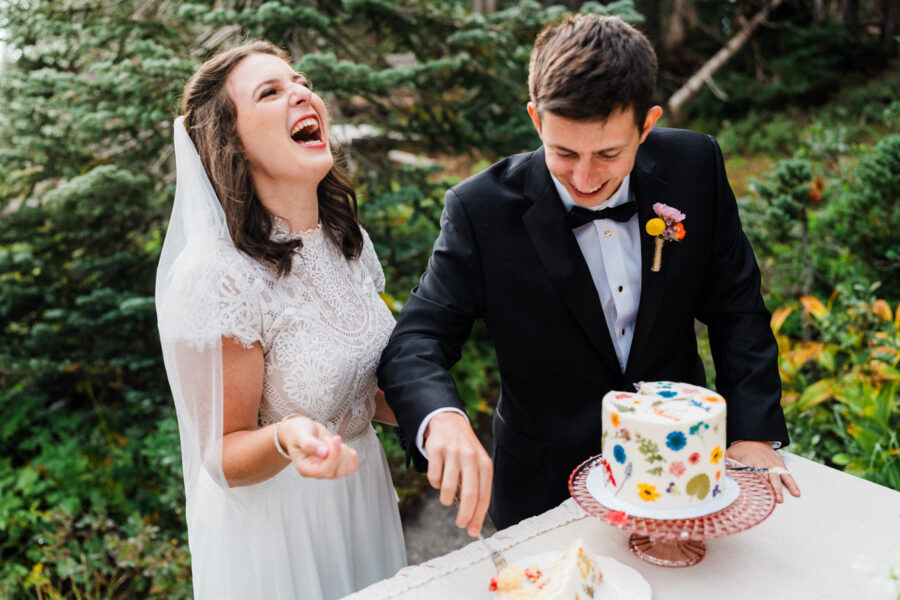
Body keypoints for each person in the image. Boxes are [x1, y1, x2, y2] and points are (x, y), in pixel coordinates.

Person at [377, 14, 802, 534]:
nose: (584, 178)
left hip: (680, 472)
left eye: (607, 154)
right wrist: (441, 417)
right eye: (564, 153)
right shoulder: (479, 210)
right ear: (537, 120)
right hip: (543, 490)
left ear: (646, 125)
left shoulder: (696, 166)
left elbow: (737, 309)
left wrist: (753, 432)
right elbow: (418, 337)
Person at [155, 41, 406, 600]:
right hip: (282, 533)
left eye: (301, 82)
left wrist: (439, 417)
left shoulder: (348, 242)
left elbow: (367, 391)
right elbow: (221, 455)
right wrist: (287, 436)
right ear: (234, 146)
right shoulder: (217, 277)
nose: (301, 93)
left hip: (361, 496)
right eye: (270, 92)